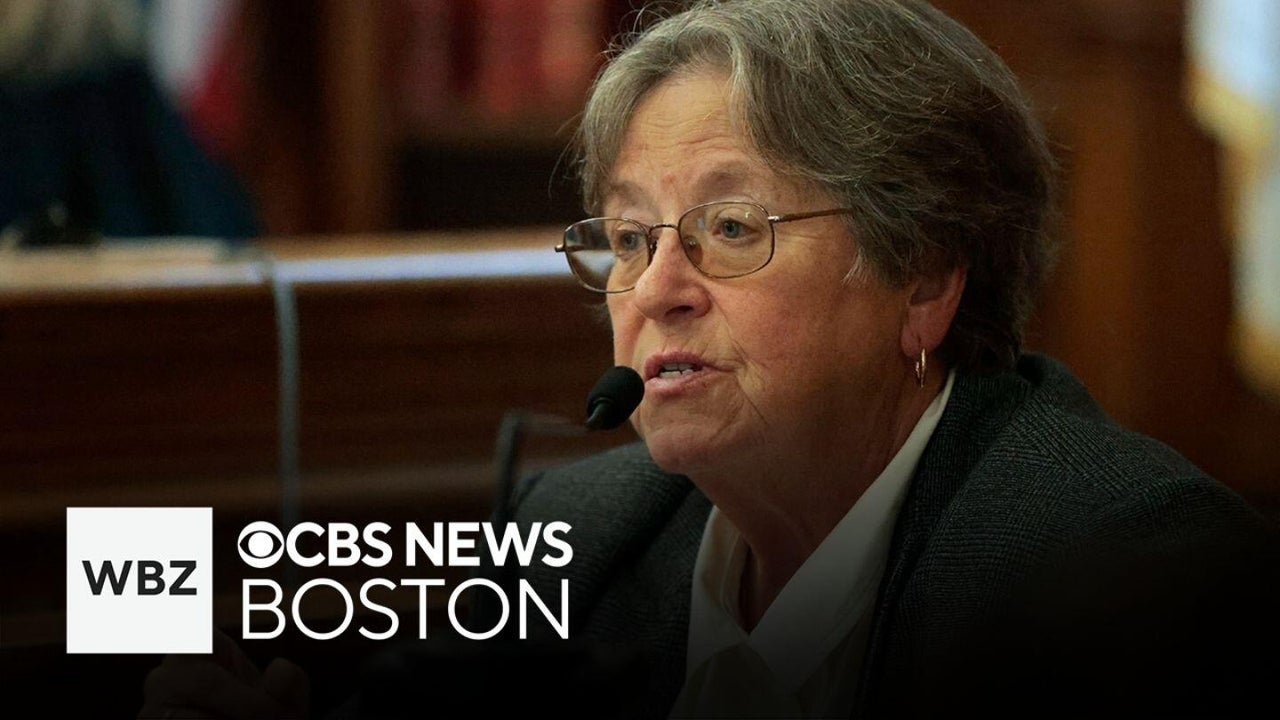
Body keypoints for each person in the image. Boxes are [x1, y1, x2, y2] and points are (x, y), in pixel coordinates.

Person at [140, 1, 1279, 718]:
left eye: (730, 229)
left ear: (925, 279)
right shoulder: (584, 531)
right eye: (629, 238)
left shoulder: (1128, 574)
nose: (655, 289)